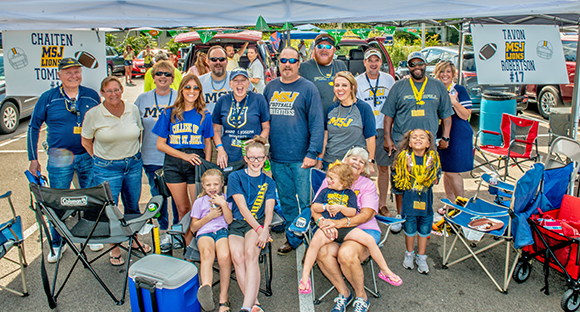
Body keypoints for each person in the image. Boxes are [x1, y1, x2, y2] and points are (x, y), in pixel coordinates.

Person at [27, 57, 102, 262]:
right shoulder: (49, 97)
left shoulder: (91, 95)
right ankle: (57, 242)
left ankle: (90, 235)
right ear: (59, 75)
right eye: (68, 72)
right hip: (59, 158)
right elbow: (34, 127)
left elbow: (102, 123)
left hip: (88, 155)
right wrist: (33, 159)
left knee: (90, 198)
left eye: (76, 71)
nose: (73, 75)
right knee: (58, 201)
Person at [299, 162, 401, 295]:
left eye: (331, 178)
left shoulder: (350, 194)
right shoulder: (325, 191)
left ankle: (385, 270)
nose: (327, 180)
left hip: (345, 227)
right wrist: (325, 207)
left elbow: (352, 212)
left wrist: (341, 208)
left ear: (342, 181)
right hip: (328, 227)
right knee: (314, 245)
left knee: (369, 240)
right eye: (328, 177)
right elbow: (315, 207)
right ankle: (305, 278)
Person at [382, 51, 453, 233]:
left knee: (426, 179)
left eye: (419, 63)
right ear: (409, 67)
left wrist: (445, 137)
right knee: (400, 181)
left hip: (427, 144)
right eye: (412, 64)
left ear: (425, 64)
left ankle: (423, 214)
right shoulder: (399, 86)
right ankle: (401, 215)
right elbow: (389, 114)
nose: (417, 67)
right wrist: (388, 138)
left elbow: (446, 116)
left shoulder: (437, 86)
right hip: (402, 142)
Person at [81, 76, 150, 266]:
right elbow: (86, 141)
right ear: (102, 93)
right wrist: (99, 158)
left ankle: (133, 241)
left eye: (117, 89)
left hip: (133, 164)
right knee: (111, 210)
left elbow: (140, 132)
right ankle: (115, 247)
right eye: (109, 91)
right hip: (107, 167)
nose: (114, 94)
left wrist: (133, 153)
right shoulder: (94, 114)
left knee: (133, 206)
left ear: (122, 90)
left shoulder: (132, 109)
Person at [262, 47, 324, 255]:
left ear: (299, 63)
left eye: (292, 60)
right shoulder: (270, 88)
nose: (287, 64)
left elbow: (317, 124)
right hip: (278, 158)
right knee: (287, 202)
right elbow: (264, 122)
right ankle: (293, 238)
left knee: (308, 203)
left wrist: (312, 153)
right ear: (278, 63)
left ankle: (312, 240)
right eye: (283, 60)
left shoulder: (308, 88)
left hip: (302, 159)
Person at [313, 147, 382, 312]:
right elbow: (314, 208)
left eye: (362, 162)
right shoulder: (331, 179)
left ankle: (361, 297)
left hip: (363, 230)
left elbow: (366, 214)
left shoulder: (367, 185)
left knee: (347, 254)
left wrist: (340, 223)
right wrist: (322, 222)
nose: (357, 163)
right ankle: (344, 293)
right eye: (354, 158)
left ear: (364, 168)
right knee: (322, 252)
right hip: (334, 230)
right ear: (345, 159)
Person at [152, 74, 214, 220]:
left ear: (199, 91)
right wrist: (184, 156)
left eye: (195, 88)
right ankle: (185, 242)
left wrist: (207, 166)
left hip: (196, 163)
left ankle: (199, 241)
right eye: (187, 87)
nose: (191, 91)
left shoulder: (205, 115)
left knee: (199, 208)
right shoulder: (169, 113)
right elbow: (160, 145)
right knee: (183, 209)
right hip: (174, 163)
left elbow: (208, 142)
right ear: (181, 90)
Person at [226, 136, 276, 312]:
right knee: (238, 257)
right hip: (239, 223)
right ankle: (255, 304)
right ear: (246, 158)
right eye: (252, 158)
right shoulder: (235, 176)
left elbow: (269, 210)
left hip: (258, 223)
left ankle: (246, 307)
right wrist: (260, 230)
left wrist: (265, 229)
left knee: (250, 254)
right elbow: (242, 207)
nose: (256, 161)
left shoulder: (269, 182)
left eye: (260, 158)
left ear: (265, 159)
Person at [134, 60, 180, 252]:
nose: (163, 77)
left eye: (167, 74)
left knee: (178, 199)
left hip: (175, 156)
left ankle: (177, 231)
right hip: (151, 156)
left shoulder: (179, 98)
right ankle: (162, 231)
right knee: (158, 197)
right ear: (153, 77)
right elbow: (135, 127)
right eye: (159, 73)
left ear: (172, 78)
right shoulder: (142, 99)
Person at [392, 129, 441, 274]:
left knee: (424, 230)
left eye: (422, 137)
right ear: (410, 143)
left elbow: (435, 180)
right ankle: (409, 253)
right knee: (410, 229)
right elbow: (399, 183)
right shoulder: (404, 157)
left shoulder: (432, 158)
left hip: (426, 204)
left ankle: (422, 256)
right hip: (409, 204)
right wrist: (407, 167)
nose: (418, 139)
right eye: (414, 137)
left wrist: (428, 169)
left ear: (428, 143)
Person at [355, 48, 396, 217]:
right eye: (369, 60)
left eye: (376, 60)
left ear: (381, 63)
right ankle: (362, 204)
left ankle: (382, 204)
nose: (373, 63)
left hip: (384, 129)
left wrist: (390, 133)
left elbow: (394, 104)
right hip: (364, 131)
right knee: (362, 169)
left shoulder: (389, 79)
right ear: (364, 62)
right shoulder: (357, 81)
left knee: (384, 169)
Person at [433, 61, 474, 215]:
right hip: (441, 133)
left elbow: (465, 115)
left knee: (453, 171)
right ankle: (450, 204)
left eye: (448, 71)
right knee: (446, 169)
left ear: (453, 73)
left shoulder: (459, 90)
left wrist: (454, 102)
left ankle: (461, 207)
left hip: (458, 133)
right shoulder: (435, 89)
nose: (445, 74)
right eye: (442, 71)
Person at [190, 169, 233, 312]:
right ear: (203, 185)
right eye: (208, 185)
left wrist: (224, 204)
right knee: (207, 255)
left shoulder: (227, 198)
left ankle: (223, 297)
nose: (212, 188)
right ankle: (206, 289)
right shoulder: (199, 202)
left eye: (216, 184)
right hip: (204, 232)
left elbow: (229, 220)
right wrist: (210, 216)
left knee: (224, 256)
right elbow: (193, 228)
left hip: (222, 232)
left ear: (222, 184)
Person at [317, 71, 376, 173]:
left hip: (352, 166)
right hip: (330, 163)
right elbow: (325, 137)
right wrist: (319, 160)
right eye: (337, 85)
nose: (340, 89)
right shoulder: (332, 109)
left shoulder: (363, 108)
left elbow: (370, 139)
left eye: (344, 85)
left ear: (352, 87)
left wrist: (370, 164)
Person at [212, 68, 270, 168]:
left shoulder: (258, 99)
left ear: (248, 84)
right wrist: (220, 149)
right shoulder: (223, 100)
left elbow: (266, 127)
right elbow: (216, 129)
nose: (239, 83)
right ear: (230, 84)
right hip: (228, 156)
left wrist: (257, 142)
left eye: (243, 80)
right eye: (235, 80)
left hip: (252, 157)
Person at [299, 34, 347, 114]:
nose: (324, 49)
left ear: (334, 50)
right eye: (320, 46)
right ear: (314, 49)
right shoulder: (303, 68)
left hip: (338, 121)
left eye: (328, 47)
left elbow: (349, 93)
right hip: (313, 121)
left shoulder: (340, 66)